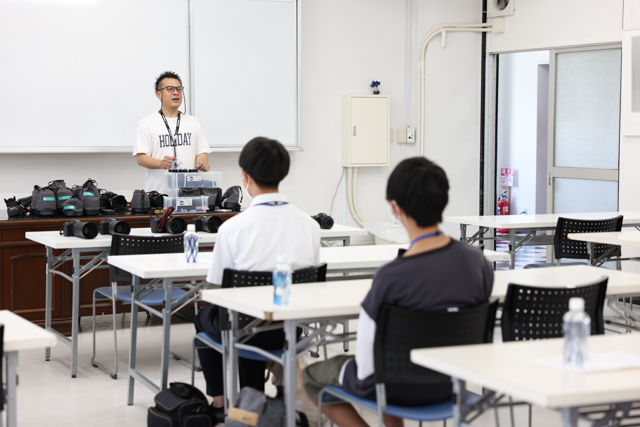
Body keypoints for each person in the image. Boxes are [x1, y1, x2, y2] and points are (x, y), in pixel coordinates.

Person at [302, 157, 494, 427]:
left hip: (393, 385)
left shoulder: (391, 276)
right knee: (392, 366)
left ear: (395, 208)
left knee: (310, 376)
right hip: (451, 382)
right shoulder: (478, 263)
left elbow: (368, 364)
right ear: (443, 200)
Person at [194, 136, 321, 416]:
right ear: (283, 174)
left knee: (208, 318)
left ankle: (221, 404)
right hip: (291, 330)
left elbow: (216, 288)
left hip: (245, 329)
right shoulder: (309, 225)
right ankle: (274, 408)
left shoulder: (233, 227)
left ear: (245, 176)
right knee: (256, 317)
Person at [134, 71, 211, 193]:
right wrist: (161, 163)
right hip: (158, 193)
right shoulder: (147, 122)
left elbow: (201, 152)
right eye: (170, 89)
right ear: (158, 94)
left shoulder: (193, 122)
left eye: (179, 89)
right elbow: (141, 158)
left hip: (189, 192)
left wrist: (202, 163)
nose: (176, 92)